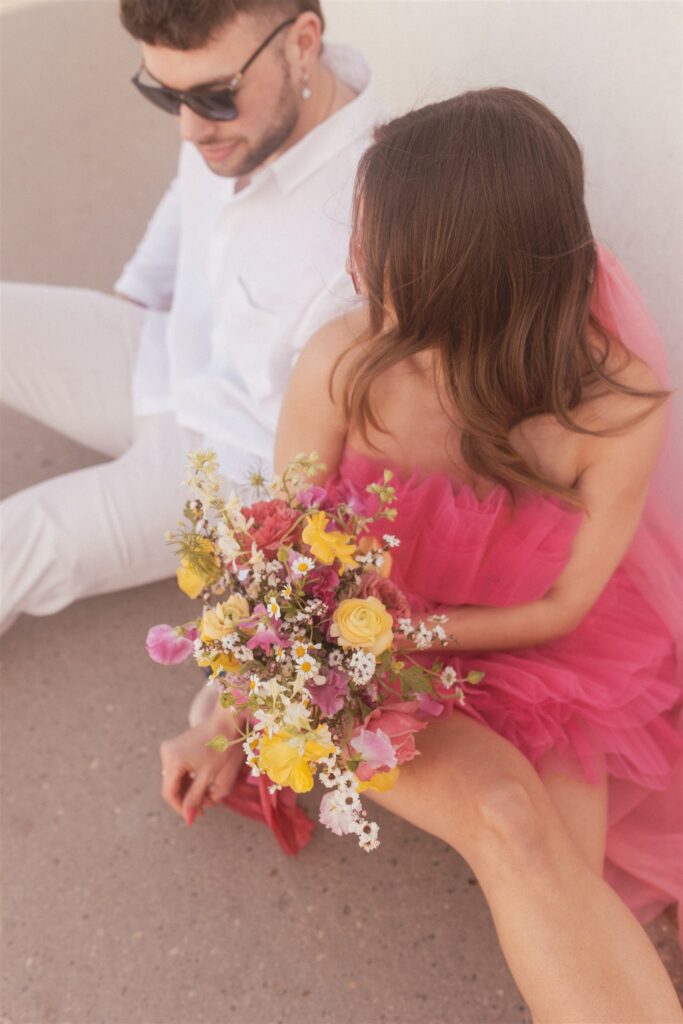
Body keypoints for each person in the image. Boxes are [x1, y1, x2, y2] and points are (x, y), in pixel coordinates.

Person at [159, 88, 683, 1021]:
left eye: (373, 237)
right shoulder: (343, 364)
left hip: (539, 651)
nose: (355, 260)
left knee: (568, 870)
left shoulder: (616, 402)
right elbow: (281, 574)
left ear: (455, 266)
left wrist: (418, 624)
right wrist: (229, 716)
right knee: (510, 823)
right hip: (373, 670)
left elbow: (565, 608)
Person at [0, 0, 381, 643]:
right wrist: (134, 296)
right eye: (163, 94)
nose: (189, 128)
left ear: (303, 43)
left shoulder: (371, 213)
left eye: (212, 96)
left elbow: (346, 447)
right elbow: (191, 194)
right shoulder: (236, 120)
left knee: (18, 540)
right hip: (164, 354)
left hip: (232, 464)